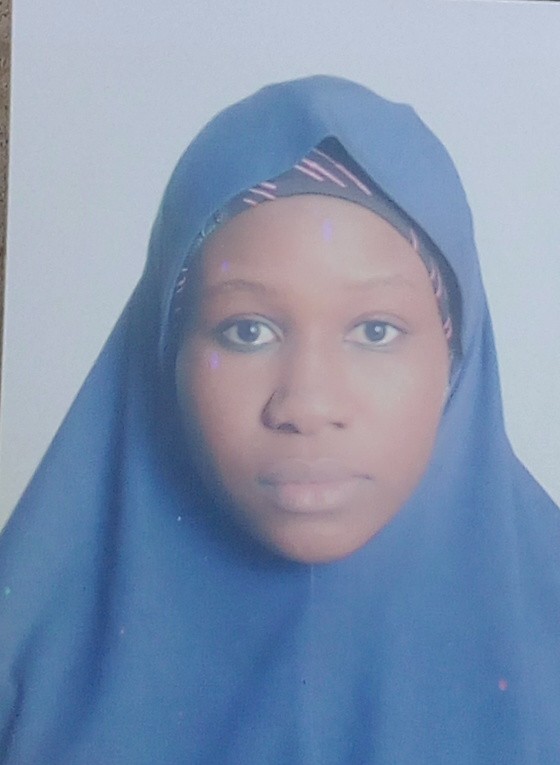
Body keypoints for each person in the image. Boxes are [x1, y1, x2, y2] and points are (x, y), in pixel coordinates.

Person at [0, 75, 559, 763]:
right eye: (247, 331)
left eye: (376, 330)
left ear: (457, 355)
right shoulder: (24, 667)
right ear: (166, 349)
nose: (307, 405)